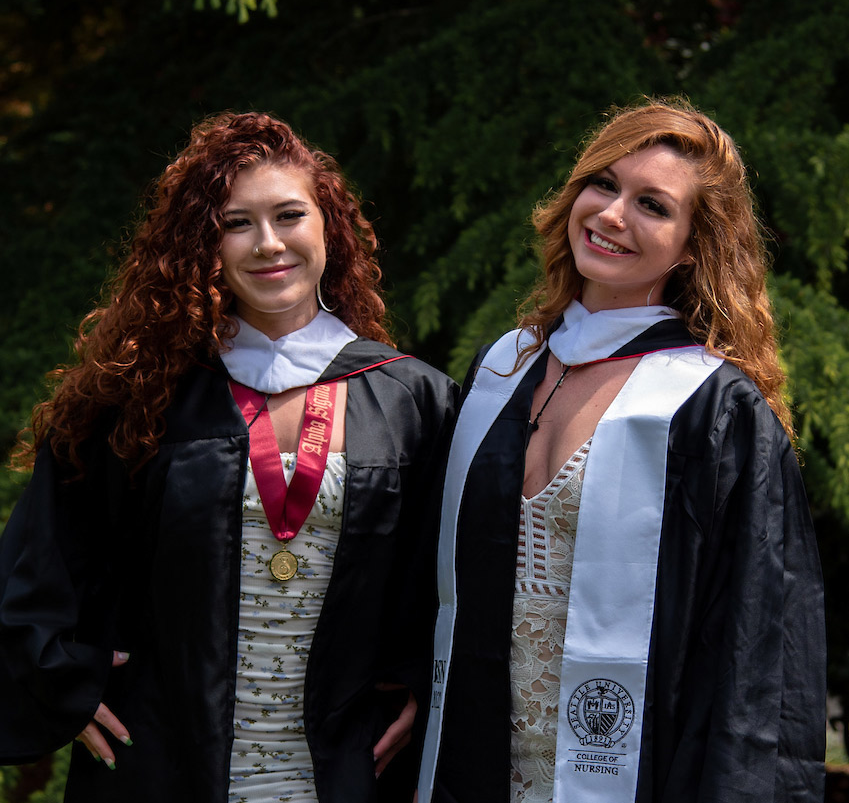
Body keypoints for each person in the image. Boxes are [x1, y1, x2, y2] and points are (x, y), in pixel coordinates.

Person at [0, 111, 457, 803]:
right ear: (205, 245)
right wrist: (62, 681)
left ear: (328, 225)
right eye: (236, 222)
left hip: (340, 768)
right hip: (162, 763)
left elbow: (451, 581)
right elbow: (44, 557)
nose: (268, 243)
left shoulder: (412, 400)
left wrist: (430, 688)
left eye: (288, 215)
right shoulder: (143, 398)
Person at [418, 99, 825, 802]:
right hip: (474, 764)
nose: (610, 214)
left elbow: (760, 647)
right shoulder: (501, 371)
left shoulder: (710, 408)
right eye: (601, 184)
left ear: (695, 243)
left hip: (638, 773)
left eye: (652, 205)